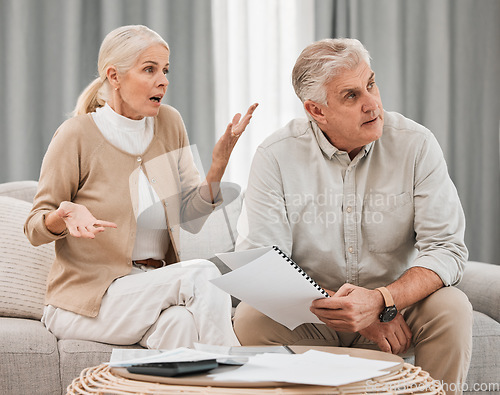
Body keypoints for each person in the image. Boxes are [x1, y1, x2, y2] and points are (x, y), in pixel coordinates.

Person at [233, 38, 472, 394]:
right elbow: (265, 265)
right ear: (316, 111)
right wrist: (358, 316)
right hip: (315, 314)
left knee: (452, 307)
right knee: (252, 318)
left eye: (371, 84)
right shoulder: (275, 156)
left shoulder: (416, 144)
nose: (372, 103)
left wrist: (380, 303)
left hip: (397, 310)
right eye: (351, 96)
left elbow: (447, 248)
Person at [24, 25, 258, 350]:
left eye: (165, 69)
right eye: (149, 69)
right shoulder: (76, 134)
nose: (162, 80)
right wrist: (64, 214)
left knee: (181, 323)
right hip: (85, 301)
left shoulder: (169, 123)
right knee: (200, 273)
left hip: (145, 291)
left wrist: (219, 162)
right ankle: (241, 375)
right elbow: (34, 228)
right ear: (114, 77)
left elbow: (191, 216)